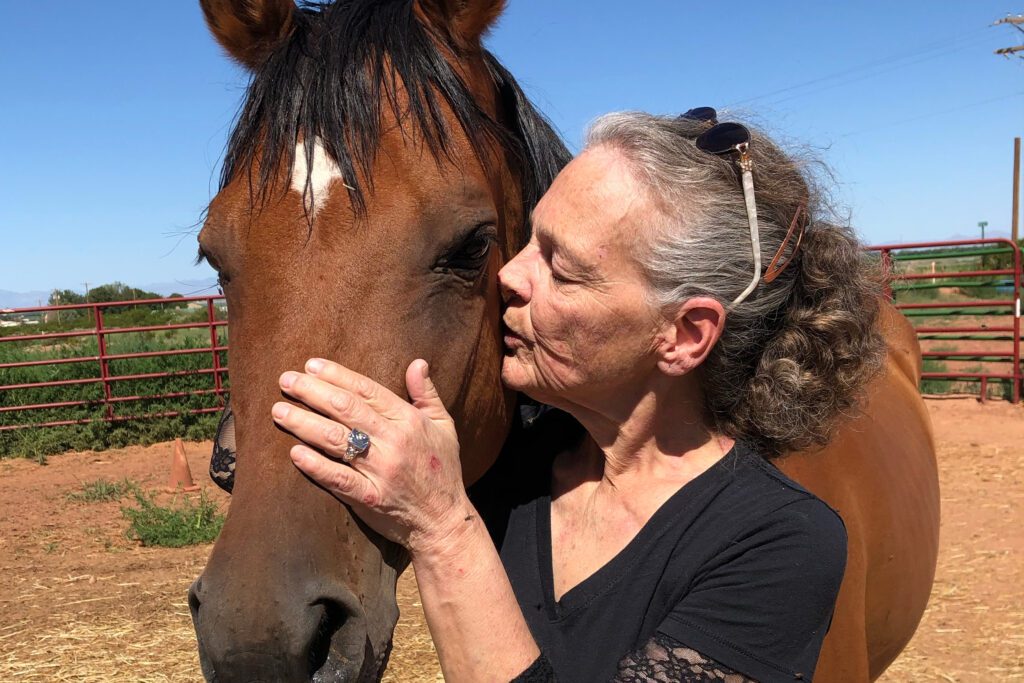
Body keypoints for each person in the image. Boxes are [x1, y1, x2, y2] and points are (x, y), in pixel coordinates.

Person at [267, 110, 884, 682]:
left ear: (683, 336)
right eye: (532, 239)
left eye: (562, 270)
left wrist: (442, 530)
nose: (509, 274)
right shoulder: (507, 462)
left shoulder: (779, 543)